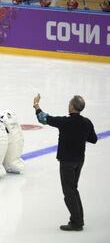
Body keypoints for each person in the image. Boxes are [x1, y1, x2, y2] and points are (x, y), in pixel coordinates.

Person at [33, 94, 97, 231]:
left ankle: (76, 223)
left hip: (67, 161)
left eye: (69, 103)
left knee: (68, 192)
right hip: (79, 160)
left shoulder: (65, 122)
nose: (68, 105)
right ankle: (79, 219)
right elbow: (93, 139)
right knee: (73, 189)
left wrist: (36, 106)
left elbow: (43, 118)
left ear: (73, 106)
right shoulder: (87, 122)